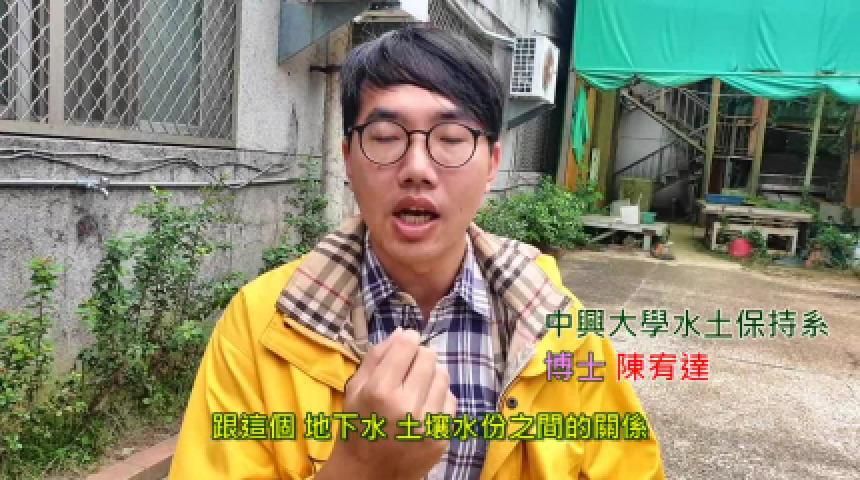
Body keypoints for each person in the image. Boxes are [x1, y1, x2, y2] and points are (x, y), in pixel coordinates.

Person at [169, 25, 665, 480]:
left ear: (492, 163)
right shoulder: (262, 324)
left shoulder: (559, 330)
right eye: (386, 137)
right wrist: (359, 468)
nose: (417, 168)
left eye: (451, 138)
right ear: (348, 159)